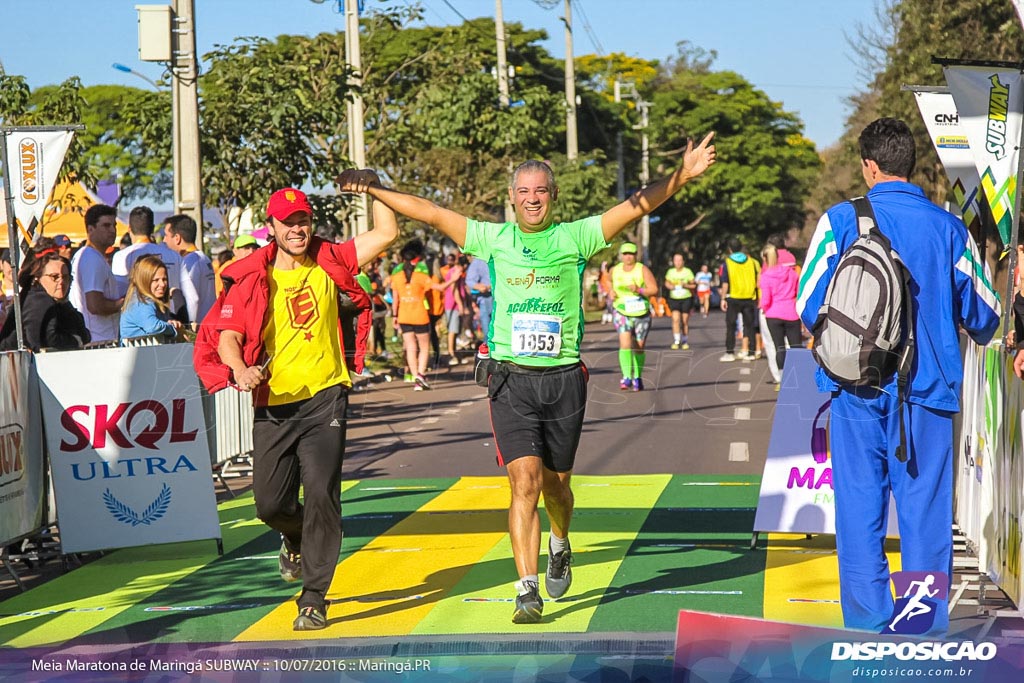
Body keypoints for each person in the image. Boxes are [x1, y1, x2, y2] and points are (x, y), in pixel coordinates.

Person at [338, 130, 715, 624]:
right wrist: (373, 189)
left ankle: (560, 542)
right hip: (510, 379)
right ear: (511, 199)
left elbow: (636, 205)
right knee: (525, 483)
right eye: (523, 191)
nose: (532, 199)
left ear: (552, 197)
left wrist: (682, 176)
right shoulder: (493, 238)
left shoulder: (576, 236)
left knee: (558, 486)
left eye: (540, 190)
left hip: (564, 380)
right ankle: (527, 589)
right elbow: (429, 212)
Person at [797, 117, 1000, 635]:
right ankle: (919, 631)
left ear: (869, 166)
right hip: (928, 395)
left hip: (855, 390)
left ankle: (866, 627)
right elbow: (984, 315)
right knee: (925, 518)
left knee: (860, 514)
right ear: (910, 166)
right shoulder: (948, 228)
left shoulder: (840, 220)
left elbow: (806, 303)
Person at [194, 185, 398, 631]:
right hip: (273, 403)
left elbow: (386, 231)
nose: (297, 229)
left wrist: (374, 185)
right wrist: (240, 369)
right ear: (272, 228)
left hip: (325, 396)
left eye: (303, 220)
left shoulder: (333, 259)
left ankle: (313, 598)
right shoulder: (253, 276)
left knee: (322, 493)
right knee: (269, 504)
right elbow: (226, 335)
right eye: (288, 223)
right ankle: (292, 535)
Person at [391, 240, 459, 389]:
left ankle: (415, 376)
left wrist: (394, 317)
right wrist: (453, 280)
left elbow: (395, 300)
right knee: (423, 347)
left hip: (403, 316)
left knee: (410, 347)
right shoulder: (421, 277)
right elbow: (440, 288)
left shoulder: (396, 278)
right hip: (420, 316)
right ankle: (420, 375)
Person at [111, 205, 194, 324]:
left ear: (129, 229)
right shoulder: (174, 255)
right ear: (153, 228)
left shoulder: (121, 256)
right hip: (174, 321)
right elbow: (191, 296)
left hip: (140, 325)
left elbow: (120, 296)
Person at [0, 244, 89, 351]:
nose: (61, 282)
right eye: (54, 277)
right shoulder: (38, 299)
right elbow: (43, 340)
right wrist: (75, 341)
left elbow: (84, 335)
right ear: (38, 278)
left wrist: (65, 303)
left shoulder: (56, 302)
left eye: (65, 277)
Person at [69, 204, 124, 343]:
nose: (112, 230)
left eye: (114, 225)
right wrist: (124, 303)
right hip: (100, 341)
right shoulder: (92, 258)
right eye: (106, 225)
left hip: (94, 338)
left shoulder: (85, 255)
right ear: (90, 229)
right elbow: (94, 305)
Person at [609, 243, 658, 389]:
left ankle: (637, 376)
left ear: (636, 255)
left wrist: (639, 289)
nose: (628, 256)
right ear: (621, 255)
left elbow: (654, 289)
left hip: (641, 311)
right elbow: (607, 281)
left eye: (631, 253)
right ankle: (626, 377)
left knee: (639, 347)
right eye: (625, 254)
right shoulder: (615, 270)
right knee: (624, 343)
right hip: (621, 310)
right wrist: (611, 292)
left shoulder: (642, 269)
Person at [758, 243, 800, 385]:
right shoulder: (790, 273)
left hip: (773, 314)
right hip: (791, 313)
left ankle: (783, 379)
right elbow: (797, 291)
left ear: (765, 258)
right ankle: (799, 377)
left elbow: (766, 299)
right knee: (796, 347)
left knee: (779, 347)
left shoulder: (766, 276)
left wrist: (763, 308)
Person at [163, 214, 217, 324]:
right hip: (208, 325)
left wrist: (188, 326)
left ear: (177, 238)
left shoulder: (189, 262)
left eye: (166, 235)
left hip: (198, 329)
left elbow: (192, 299)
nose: (164, 240)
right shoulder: (203, 257)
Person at [119, 254, 182, 341]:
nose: (162, 284)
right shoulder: (141, 301)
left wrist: (172, 323)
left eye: (164, 279)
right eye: (156, 280)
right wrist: (173, 330)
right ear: (145, 280)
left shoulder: (154, 301)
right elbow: (153, 327)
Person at [719, 238, 760, 362]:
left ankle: (730, 352)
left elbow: (725, 283)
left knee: (731, 326)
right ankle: (751, 352)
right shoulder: (752, 262)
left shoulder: (727, 263)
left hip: (733, 297)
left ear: (729, 249)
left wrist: (722, 298)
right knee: (749, 326)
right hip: (749, 297)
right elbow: (759, 280)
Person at [664, 252, 696, 350]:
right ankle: (676, 341)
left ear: (683, 262)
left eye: (679, 260)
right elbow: (666, 283)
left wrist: (685, 285)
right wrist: (671, 286)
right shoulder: (670, 272)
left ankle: (685, 340)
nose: (677, 262)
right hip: (674, 298)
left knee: (684, 320)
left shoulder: (688, 272)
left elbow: (694, 285)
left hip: (686, 298)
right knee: (675, 319)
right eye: (676, 260)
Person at [441, 252, 467, 365]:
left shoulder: (457, 271)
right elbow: (454, 289)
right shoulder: (456, 272)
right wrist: (460, 304)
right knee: (452, 330)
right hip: (452, 304)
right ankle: (451, 354)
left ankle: (455, 352)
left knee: (456, 330)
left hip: (456, 304)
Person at [464, 250, 493, 342]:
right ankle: (489, 354)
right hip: (486, 299)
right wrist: (480, 287)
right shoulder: (478, 261)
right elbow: (469, 281)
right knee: (488, 332)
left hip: (504, 299)